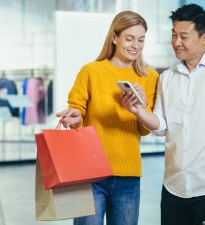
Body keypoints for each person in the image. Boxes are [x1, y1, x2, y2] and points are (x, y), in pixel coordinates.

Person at [122, 3, 205, 224]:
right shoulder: (167, 78)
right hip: (173, 188)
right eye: (173, 35)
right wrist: (138, 111)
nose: (176, 42)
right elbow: (162, 127)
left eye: (183, 36)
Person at [57, 11, 159, 225]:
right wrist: (75, 117)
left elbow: (144, 130)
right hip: (90, 173)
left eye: (141, 40)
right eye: (129, 38)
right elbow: (77, 110)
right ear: (114, 37)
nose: (136, 45)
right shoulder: (91, 71)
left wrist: (139, 108)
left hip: (128, 175)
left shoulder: (150, 77)